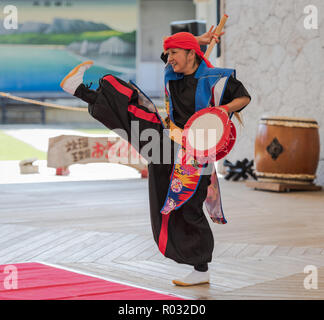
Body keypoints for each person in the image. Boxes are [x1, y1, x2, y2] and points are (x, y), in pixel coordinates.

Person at [60, 28, 251, 286]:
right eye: (168, 53)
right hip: (168, 142)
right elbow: (179, 50)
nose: (169, 58)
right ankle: (81, 90)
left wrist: (221, 110)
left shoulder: (215, 79)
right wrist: (199, 40)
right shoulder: (172, 72)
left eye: (174, 53)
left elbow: (243, 97)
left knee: (189, 208)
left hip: (195, 153)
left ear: (189, 53)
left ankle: (201, 267)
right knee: (133, 107)